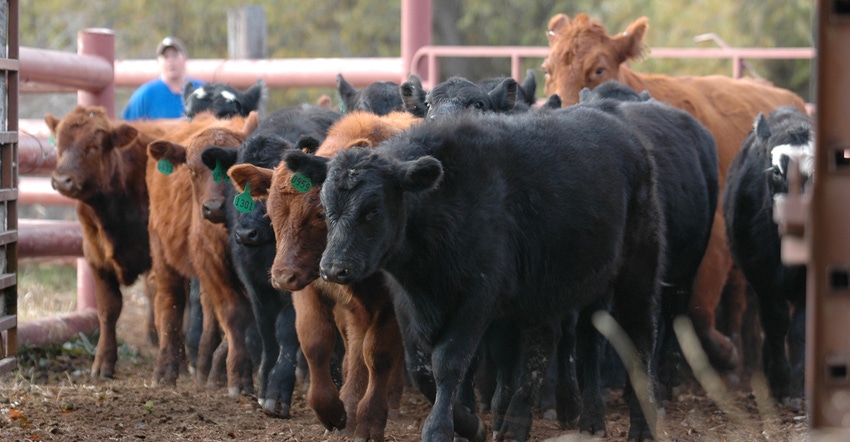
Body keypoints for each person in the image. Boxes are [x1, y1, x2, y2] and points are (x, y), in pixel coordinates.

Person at [122, 36, 203, 120]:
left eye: (175, 55)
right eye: (166, 57)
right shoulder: (144, 95)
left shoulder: (201, 92)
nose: (170, 61)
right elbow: (128, 127)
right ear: (158, 61)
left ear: (185, 59)